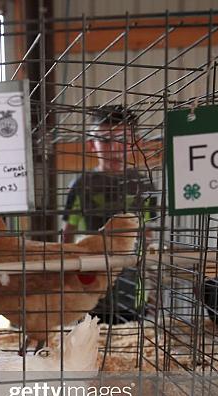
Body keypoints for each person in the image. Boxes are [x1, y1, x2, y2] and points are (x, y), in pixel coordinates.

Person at [62, 105, 156, 323]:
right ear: (91, 144)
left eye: (123, 141)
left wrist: (152, 290)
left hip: (133, 290)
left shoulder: (145, 185)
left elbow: (149, 235)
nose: (114, 148)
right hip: (88, 289)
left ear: (137, 143)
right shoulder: (81, 186)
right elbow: (68, 234)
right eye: (104, 141)